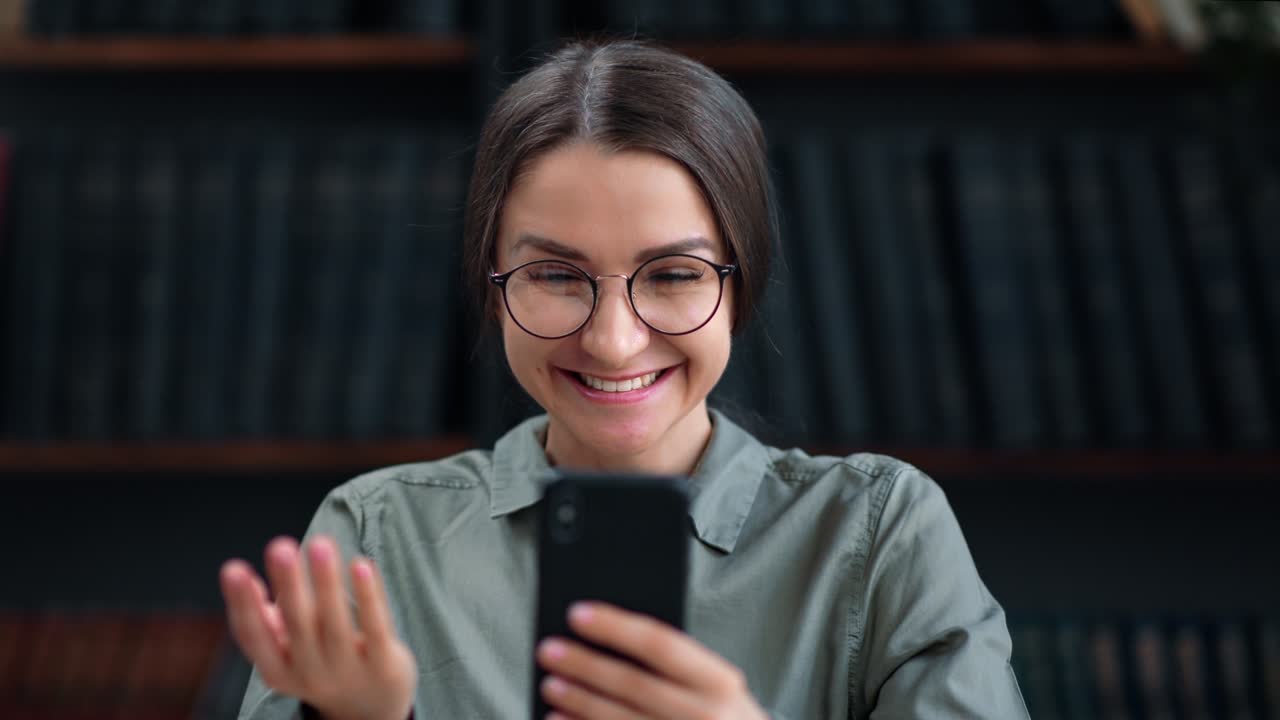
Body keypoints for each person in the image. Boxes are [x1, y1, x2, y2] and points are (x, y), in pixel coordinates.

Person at [221, 38, 1030, 720]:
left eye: (673, 275)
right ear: (492, 282)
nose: (612, 343)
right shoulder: (376, 535)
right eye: (556, 277)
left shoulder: (881, 533)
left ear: (738, 286)